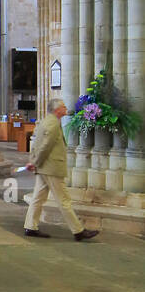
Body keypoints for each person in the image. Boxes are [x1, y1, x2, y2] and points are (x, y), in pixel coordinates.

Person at [24, 97, 98, 241]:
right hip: (51, 168)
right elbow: (45, 146)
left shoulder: (45, 121)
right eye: (63, 107)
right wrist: (36, 162)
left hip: (44, 167)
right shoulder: (52, 124)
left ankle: (30, 226)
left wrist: (33, 161)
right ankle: (78, 231)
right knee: (64, 200)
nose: (65, 108)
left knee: (37, 198)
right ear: (57, 110)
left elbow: (36, 145)